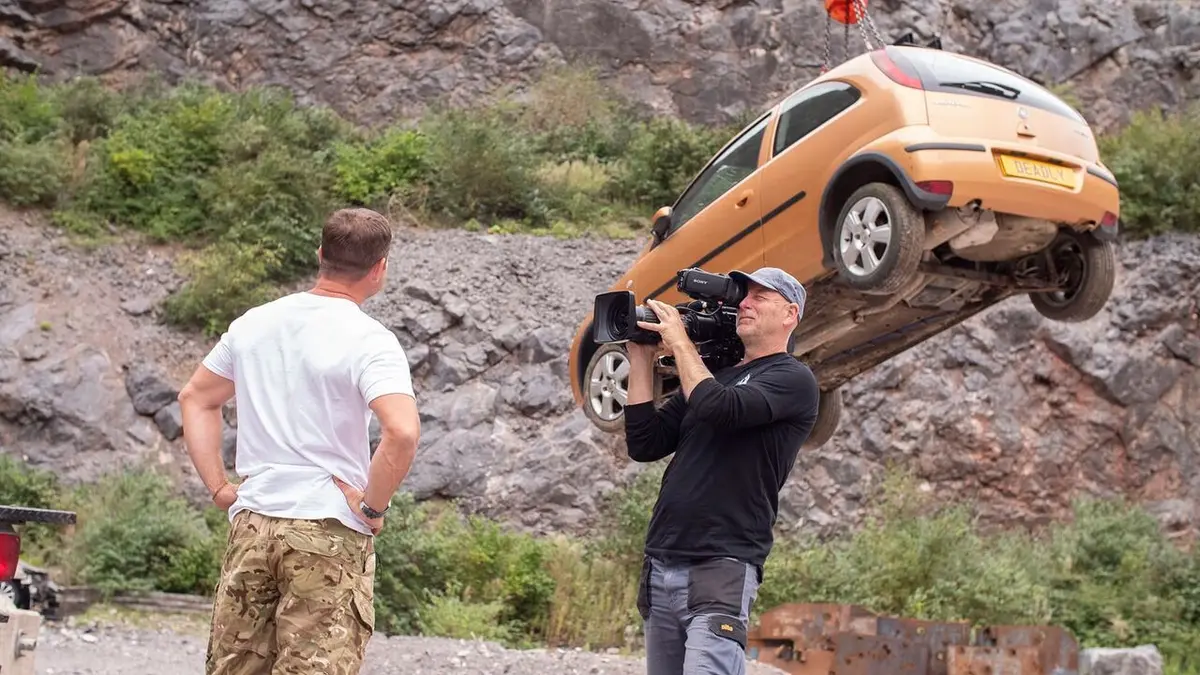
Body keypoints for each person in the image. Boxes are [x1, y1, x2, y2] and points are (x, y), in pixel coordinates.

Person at [177, 207, 421, 675]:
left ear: (320, 255)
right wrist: (372, 507)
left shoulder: (254, 324)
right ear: (380, 269)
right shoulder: (370, 340)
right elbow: (402, 431)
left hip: (253, 523)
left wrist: (220, 488)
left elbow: (196, 399)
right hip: (326, 529)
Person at [623, 266, 820, 675]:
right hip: (662, 562)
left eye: (760, 297)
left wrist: (678, 341)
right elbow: (645, 442)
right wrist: (640, 358)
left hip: (721, 564)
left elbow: (720, 408)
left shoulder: (793, 379)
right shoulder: (717, 378)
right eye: (743, 296)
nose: (744, 303)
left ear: (790, 314)